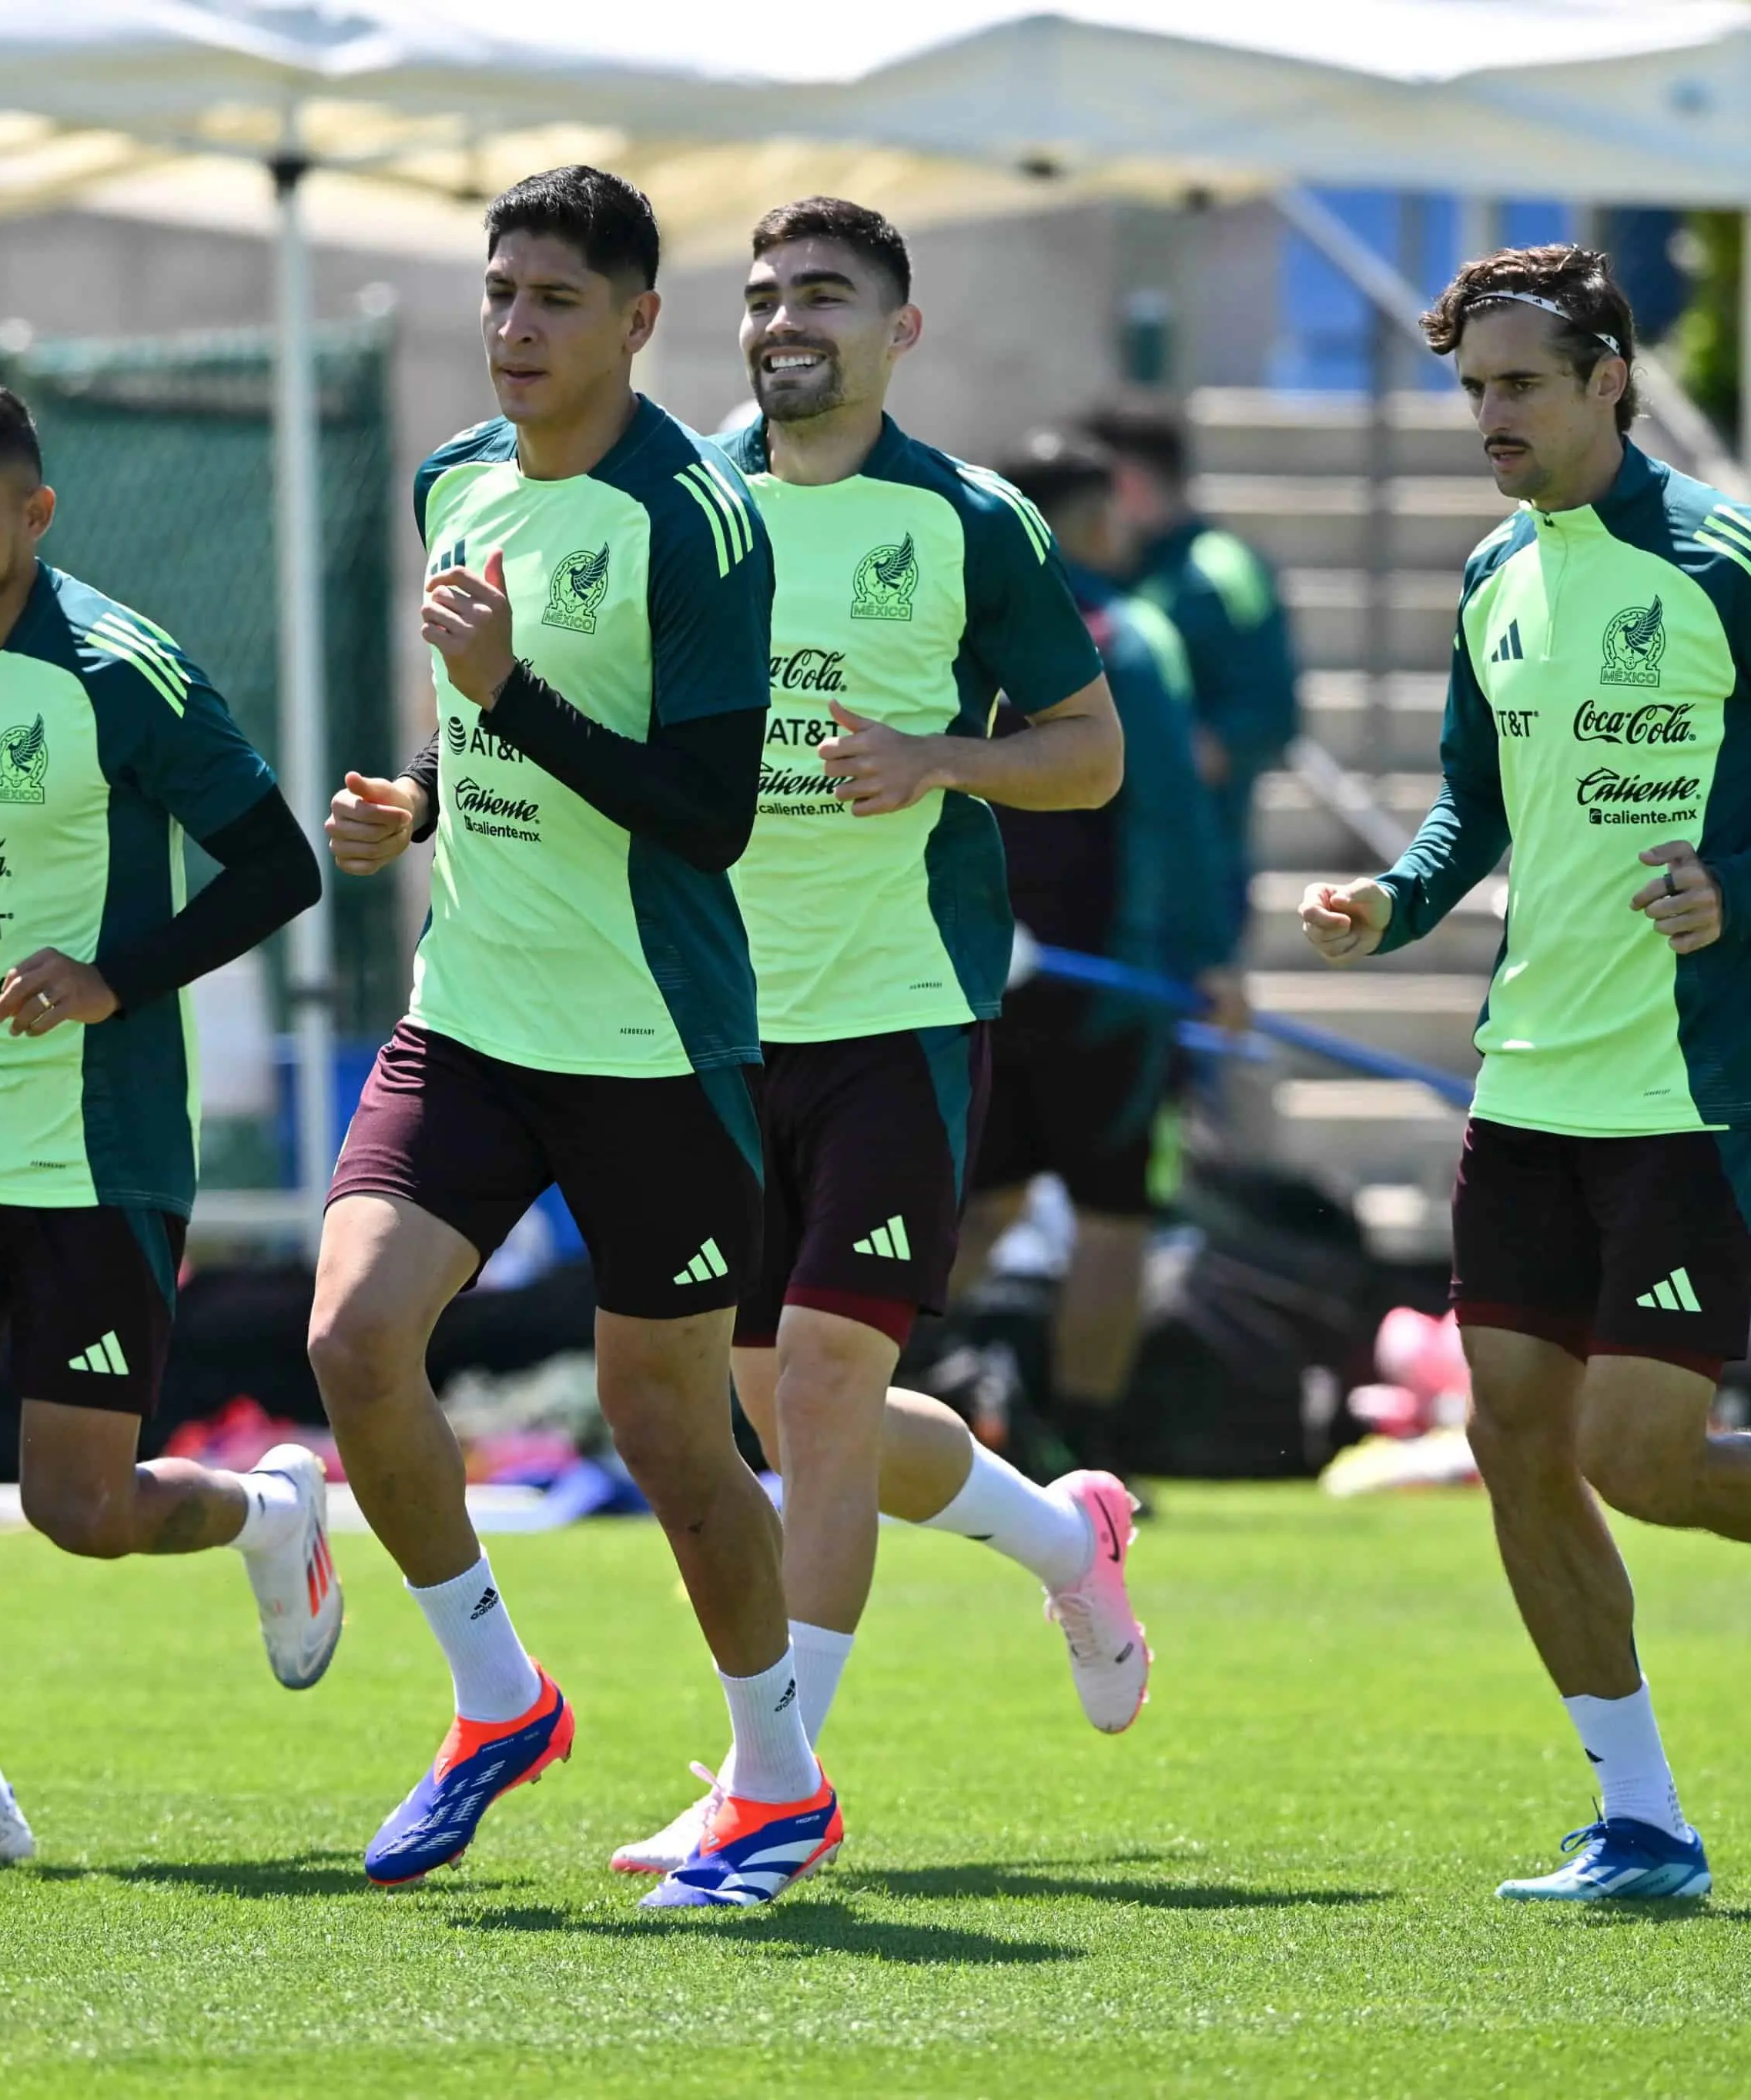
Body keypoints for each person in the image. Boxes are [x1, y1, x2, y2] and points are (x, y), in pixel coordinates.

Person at [1297, 245, 1751, 1902]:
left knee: (1636, 1454)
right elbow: (1471, 806)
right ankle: (1641, 1817)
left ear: (1609, 377)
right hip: (1523, 1082)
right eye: (1469, 390)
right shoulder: (1489, 577)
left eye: (1517, 384)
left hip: (1691, 1079)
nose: (1488, 418)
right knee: (1516, 1438)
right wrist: (1393, 897)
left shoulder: (1733, 559)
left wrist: (1745, 883)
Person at [604, 199, 1144, 1877]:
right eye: (763, 295)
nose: (784, 321)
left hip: (899, 1015)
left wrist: (937, 755)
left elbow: (1089, 749)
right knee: (785, 1409)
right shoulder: (673, 503)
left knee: (829, 1387)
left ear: (898, 331)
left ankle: (777, 1785)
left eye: (823, 296)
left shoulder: (966, 521)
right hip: (709, 1026)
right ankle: (1065, 1531)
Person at [316, 166, 835, 1911]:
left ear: (637, 320)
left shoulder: (698, 520)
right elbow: (490, 746)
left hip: (650, 1039)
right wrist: (417, 799)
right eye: (498, 292)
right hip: (468, 1015)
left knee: (669, 1431)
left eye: (554, 299)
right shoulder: (449, 479)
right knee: (351, 1336)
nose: (514, 328)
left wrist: (507, 699)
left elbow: (705, 816)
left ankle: (776, 1783)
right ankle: (495, 1698)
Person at [0, 377, 330, 1868]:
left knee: (75, 1509)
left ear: (33, 513)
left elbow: (275, 864)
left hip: (100, 1148)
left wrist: (110, 980)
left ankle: (268, 1514)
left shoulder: (117, 671)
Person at [956, 433, 1241, 1453]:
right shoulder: (1128, 638)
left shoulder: (957, 630)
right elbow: (1172, 814)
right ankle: (1086, 1450)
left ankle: (834, 1406)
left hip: (975, 977)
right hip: (1108, 993)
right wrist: (1209, 959)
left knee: (978, 1213)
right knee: (1113, 1221)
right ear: (1080, 522)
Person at [1086, 398, 1297, 918]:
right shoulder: (1116, 569)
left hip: (1191, 870)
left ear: (1128, 483)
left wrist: (1167, 750)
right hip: (1112, 864)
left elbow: (1267, 717)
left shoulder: (1218, 572)